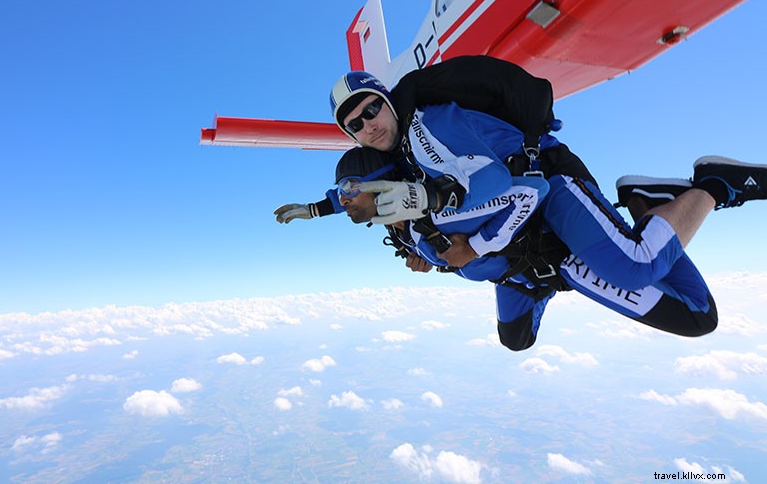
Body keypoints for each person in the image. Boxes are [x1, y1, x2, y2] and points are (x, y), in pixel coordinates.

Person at [327, 56, 767, 295]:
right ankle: (641, 198)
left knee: (637, 268)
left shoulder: (424, 128)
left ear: (387, 100)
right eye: (356, 125)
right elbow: (363, 193)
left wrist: (459, 231)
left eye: (371, 108)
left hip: (550, 182)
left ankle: (714, 183)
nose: (369, 124)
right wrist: (322, 207)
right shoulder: (406, 151)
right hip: (532, 206)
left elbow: (502, 187)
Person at [280, 146, 733, 350]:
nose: (351, 202)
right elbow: (351, 206)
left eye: (356, 191)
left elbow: (526, 195)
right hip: (514, 275)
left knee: (696, 316)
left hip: (553, 257)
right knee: (517, 339)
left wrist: (474, 247)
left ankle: (703, 190)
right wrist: (316, 209)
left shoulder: (440, 209)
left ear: (391, 186)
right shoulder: (392, 217)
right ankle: (548, 282)